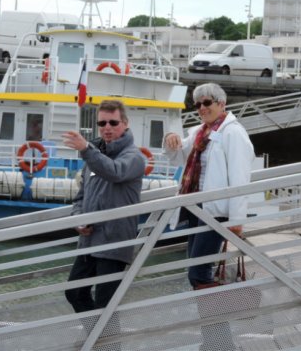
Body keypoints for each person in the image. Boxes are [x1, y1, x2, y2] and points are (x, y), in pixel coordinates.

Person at [164, 82, 254, 350]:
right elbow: (179, 156)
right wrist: (171, 138)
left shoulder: (233, 133)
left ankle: (219, 340)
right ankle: (216, 339)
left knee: (199, 273)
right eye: (198, 104)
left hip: (215, 214)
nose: (202, 108)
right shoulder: (200, 131)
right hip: (195, 211)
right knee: (199, 272)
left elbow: (240, 177)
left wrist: (237, 219)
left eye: (207, 103)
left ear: (221, 104)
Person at [62, 100, 145, 313]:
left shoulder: (133, 157)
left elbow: (114, 171)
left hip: (114, 242)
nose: (107, 127)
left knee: (105, 303)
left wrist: (86, 149)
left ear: (125, 124)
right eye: (102, 123)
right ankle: (99, 341)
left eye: (113, 122)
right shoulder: (93, 155)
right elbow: (81, 196)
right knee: (74, 292)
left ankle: (104, 343)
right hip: (89, 240)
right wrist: (78, 218)